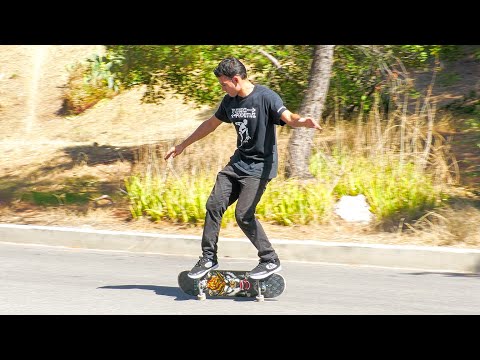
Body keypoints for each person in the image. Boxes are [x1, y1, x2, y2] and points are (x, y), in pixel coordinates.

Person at [164, 57, 322, 280]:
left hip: (260, 167)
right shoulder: (230, 101)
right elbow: (210, 124)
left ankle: (269, 259)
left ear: (236, 79)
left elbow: (289, 118)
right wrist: (182, 145)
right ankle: (208, 257)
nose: (222, 87)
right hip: (237, 163)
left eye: (223, 83)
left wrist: (303, 121)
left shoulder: (266, 97)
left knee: (244, 215)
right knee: (214, 204)